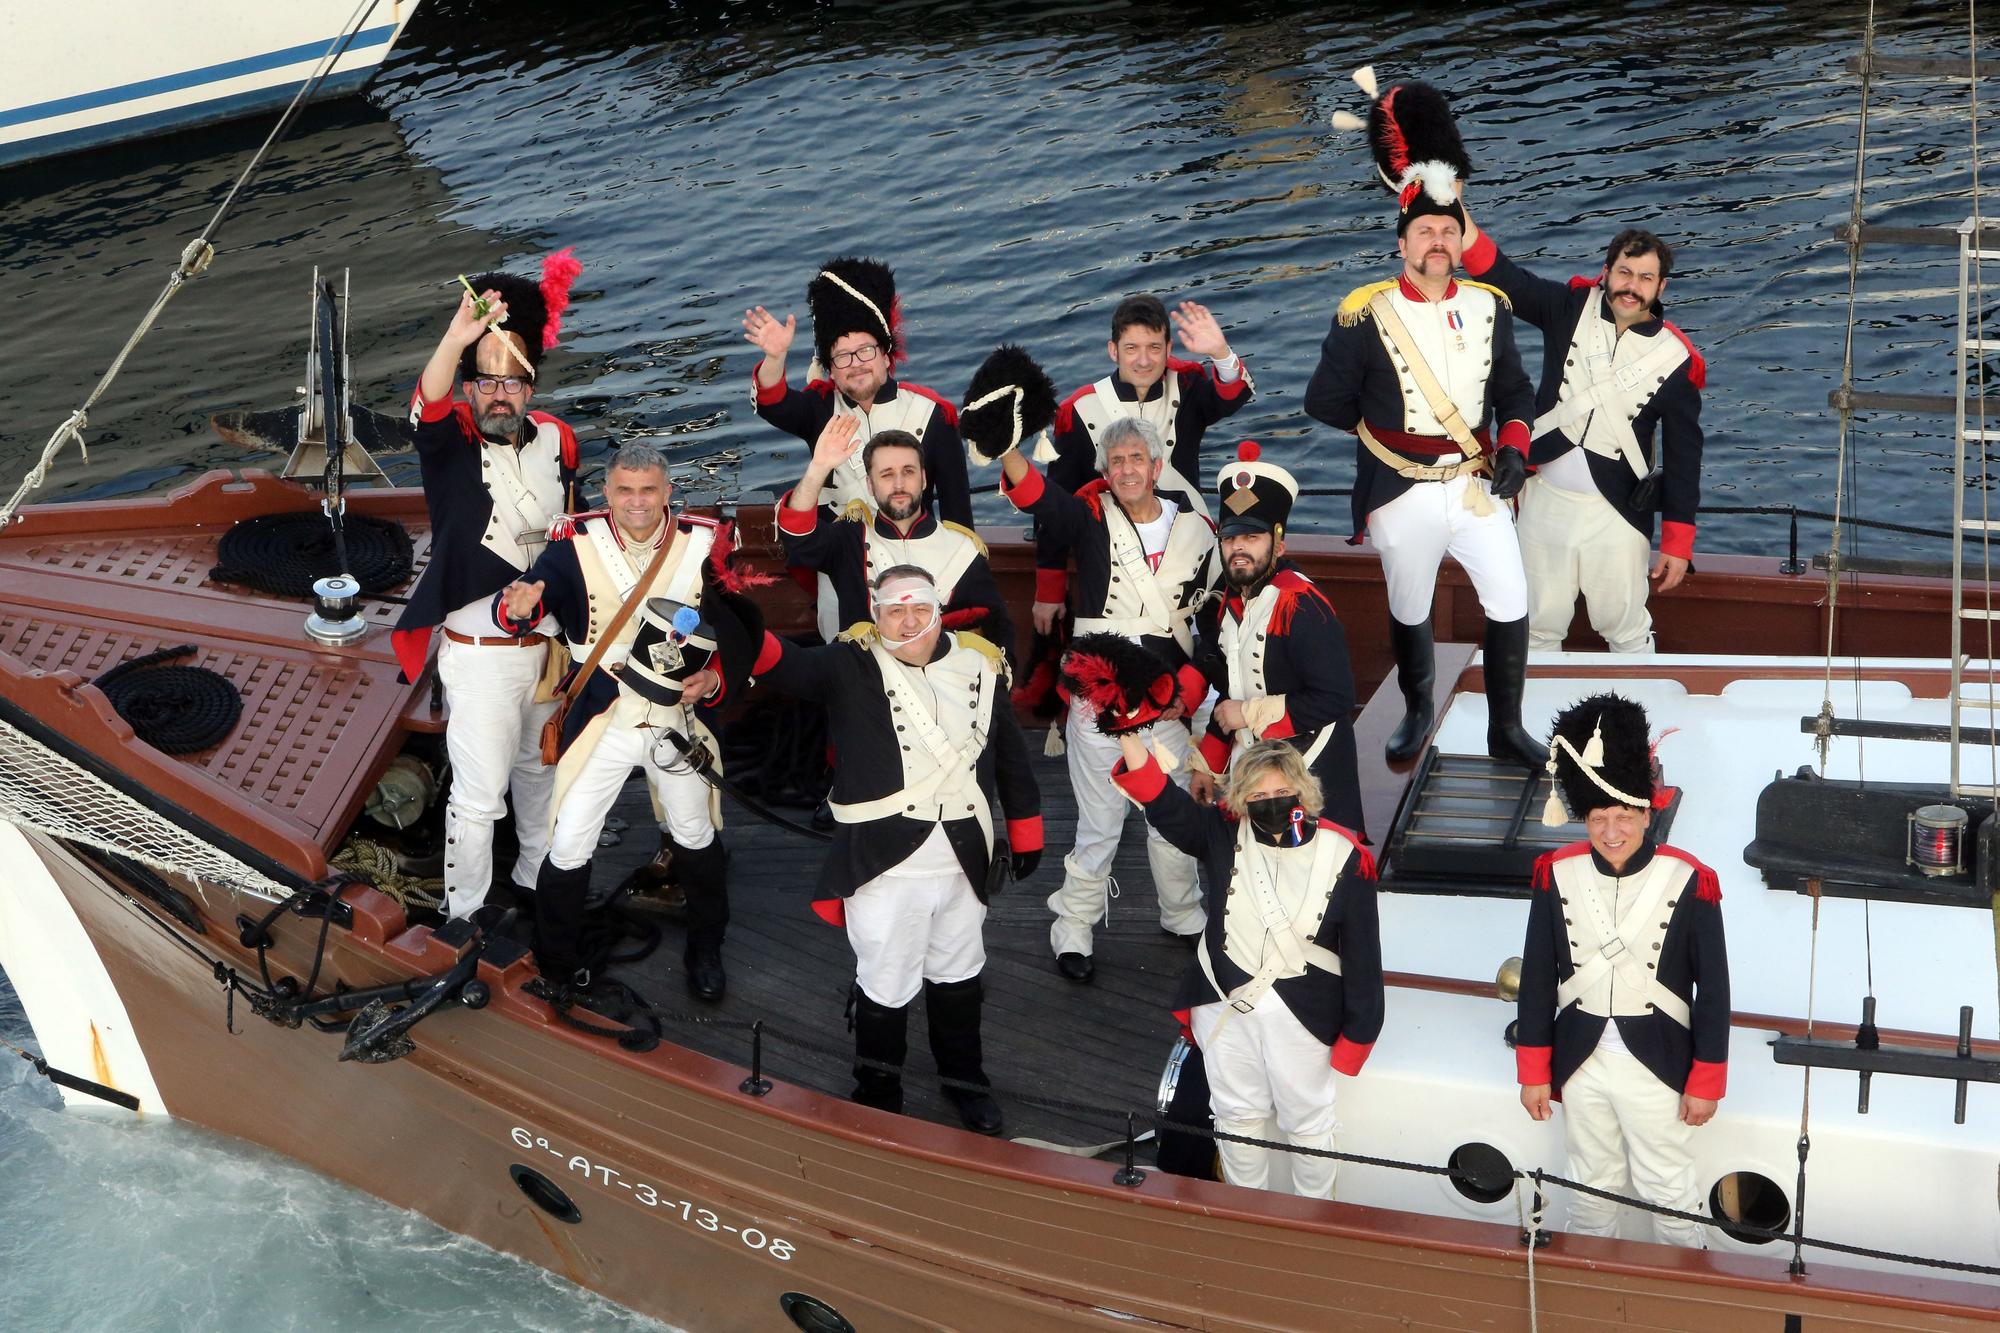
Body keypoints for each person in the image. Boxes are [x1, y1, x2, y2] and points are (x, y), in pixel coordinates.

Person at [747, 565, 1042, 1135]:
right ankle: (878, 1092)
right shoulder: (848, 664)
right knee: (886, 981)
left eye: (919, 609)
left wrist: (1027, 833)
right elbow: (784, 667)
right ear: (876, 615)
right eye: (893, 611)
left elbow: (1010, 760)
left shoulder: (981, 664)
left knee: (958, 976)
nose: (908, 622)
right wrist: (733, 613)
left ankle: (965, 1083)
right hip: (885, 864)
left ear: (938, 609)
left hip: (965, 857)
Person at [1302, 101, 1546, 771]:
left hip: (1475, 485)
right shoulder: (1363, 314)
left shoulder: (1488, 307)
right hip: (1400, 487)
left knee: (1511, 597)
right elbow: (1322, 400)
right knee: (1408, 602)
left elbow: (1515, 395)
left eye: (1447, 230)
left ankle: (1507, 727)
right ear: (1403, 244)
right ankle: (1416, 710)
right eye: (1425, 232)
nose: (1438, 241)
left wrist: (1517, 450)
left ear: (1460, 241)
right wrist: (1387, 435)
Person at [494, 442, 759, 1002]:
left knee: (695, 832)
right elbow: (532, 605)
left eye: (648, 491)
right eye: (623, 490)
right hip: (604, 720)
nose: (636, 502)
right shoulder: (572, 548)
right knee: (567, 844)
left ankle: (707, 947)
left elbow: (743, 631)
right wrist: (519, 608)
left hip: (676, 718)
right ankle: (557, 963)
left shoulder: (706, 546)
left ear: (668, 493)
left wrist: (716, 679)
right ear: (606, 493)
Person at [390, 253, 584, 922]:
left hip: (549, 648)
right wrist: (455, 339)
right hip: (479, 654)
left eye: (515, 380)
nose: (501, 393)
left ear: (531, 385)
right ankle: (463, 916)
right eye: (487, 379)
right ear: (472, 386)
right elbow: (428, 404)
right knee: (478, 799)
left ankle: (536, 881)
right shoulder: (449, 446)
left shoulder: (561, 440)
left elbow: (572, 535)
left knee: (540, 771)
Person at [1111, 731, 1382, 1200]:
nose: (1271, 803)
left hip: (1305, 1013)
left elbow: (1363, 959)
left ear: (1303, 791)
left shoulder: (1347, 857)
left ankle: (1312, 1223)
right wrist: (1128, 734)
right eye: (1257, 795)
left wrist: (1358, 1035)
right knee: (1236, 1116)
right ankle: (1244, 1213)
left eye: (1281, 793)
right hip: (1221, 1003)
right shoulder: (1219, 832)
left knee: (1309, 1124)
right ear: (1239, 799)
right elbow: (1163, 802)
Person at [996, 415, 1217, 982]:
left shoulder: (1196, 529)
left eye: (1136, 459)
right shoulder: (1091, 517)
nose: (1126, 470)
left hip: (1166, 703)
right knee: (1100, 822)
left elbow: (1214, 623)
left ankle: (1183, 911)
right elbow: (1040, 498)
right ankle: (1073, 925)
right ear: (1105, 470)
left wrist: (1190, 691)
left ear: (1157, 466)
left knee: (1172, 816)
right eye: (1115, 461)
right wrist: (1006, 448)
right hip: (1097, 698)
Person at [1516, 692, 1729, 1247]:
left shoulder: (1690, 878)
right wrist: (1534, 1070)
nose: (1612, 831)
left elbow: (1714, 990)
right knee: (1589, 1187)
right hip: (1581, 1059)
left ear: (1646, 813)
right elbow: (1539, 978)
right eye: (1598, 818)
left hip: (1658, 1060)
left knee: (1669, 1187)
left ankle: (1686, 1299)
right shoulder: (1554, 873)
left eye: (1624, 816)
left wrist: (1705, 1081)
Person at [1460, 214, 1705, 653]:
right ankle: (1531, 718)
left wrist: (1677, 543)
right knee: (1536, 627)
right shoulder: (1569, 307)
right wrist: (1455, 214)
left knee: (1626, 628)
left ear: (1661, 287)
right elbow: (1505, 278)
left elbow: (1685, 460)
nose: (1632, 286)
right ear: (1606, 272)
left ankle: (1636, 718)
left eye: (1646, 278)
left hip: (1617, 514)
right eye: (1625, 272)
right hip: (1544, 501)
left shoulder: (1678, 361)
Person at [1034, 294, 1251, 637]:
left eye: (1154, 347)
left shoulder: (1188, 384)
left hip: (1189, 548)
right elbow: (1056, 505)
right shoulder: (1078, 410)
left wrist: (1220, 352)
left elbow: (1231, 397)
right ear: (1113, 350)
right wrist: (1049, 589)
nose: (1144, 360)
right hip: (1116, 563)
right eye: (1132, 348)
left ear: (1169, 348)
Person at [1193, 444, 1366, 839]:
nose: (1239, 548)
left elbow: (1336, 699)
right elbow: (1230, 693)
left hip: (1310, 768)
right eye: (1230, 538)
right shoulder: (1230, 602)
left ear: (1279, 543)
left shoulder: (1301, 606)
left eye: (1252, 537)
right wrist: (1208, 764)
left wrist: (1250, 714)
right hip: (1254, 767)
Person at [777, 416, 1015, 667]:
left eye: (908, 472)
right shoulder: (848, 539)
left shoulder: (963, 550)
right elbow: (797, 538)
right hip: (865, 686)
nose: (899, 485)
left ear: (923, 479)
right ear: (870, 485)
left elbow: (997, 635)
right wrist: (819, 467)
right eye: (886, 475)